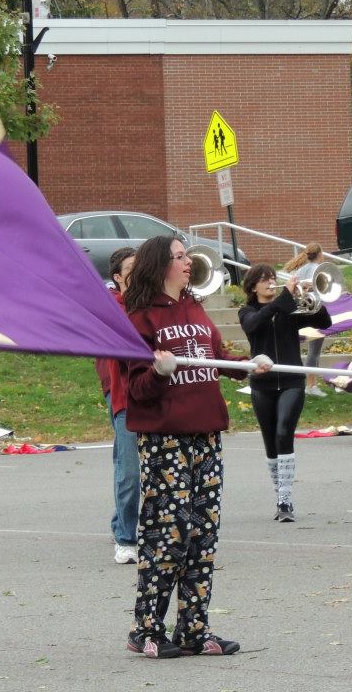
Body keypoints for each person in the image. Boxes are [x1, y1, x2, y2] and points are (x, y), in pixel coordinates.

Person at [123, 235, 272, 659]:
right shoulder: (139, 318)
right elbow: (136, 388)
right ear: (160, 264)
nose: (189, 261)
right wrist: (160, 372)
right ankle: (146, 629)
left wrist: (247, 366)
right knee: (167, 535)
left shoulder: (194, 305)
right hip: (166, 436)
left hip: (206, 433)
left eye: (187, 255)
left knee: (202, 536)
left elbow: (217, 355)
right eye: (180, 256)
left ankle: (193, 628)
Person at [239, 263, 332, 523]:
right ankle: (278, 494)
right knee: (270, 441)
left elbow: (324, 322)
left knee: (283, 432)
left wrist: (314, 296)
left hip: (292, 379)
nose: (270, 282)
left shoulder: (290, 308)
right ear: (253, 286)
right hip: (262, 384)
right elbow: (254, 325)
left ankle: (286, 499)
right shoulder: (247, 311)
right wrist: (284, 298)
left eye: (272, 278)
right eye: (264, 279)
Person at [98, 247, 139, 564]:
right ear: (117, 277)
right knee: (129, 469)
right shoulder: (110, 305)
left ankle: (121, 524)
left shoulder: (152, 303)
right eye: (131, 267)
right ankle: (125, 538)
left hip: (153, 389)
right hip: (121, 391)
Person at [283, 242, 328, 396]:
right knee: (314, 351)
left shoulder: (300, 270)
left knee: (307, 350)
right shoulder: (319, 270)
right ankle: (311, 385)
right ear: (320, 254)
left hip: (301, 312)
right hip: (313, 313)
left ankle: (306, 384)